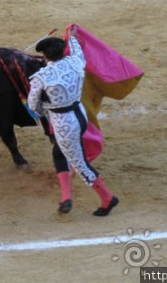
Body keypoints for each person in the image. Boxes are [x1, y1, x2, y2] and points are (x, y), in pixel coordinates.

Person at [27, 24, 119, 216]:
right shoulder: (76, 61)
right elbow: (77, 48)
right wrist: (72, 36)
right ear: (63, 51)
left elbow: (33, 105)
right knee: (59, 153)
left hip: (63, 124)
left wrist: (45, 109)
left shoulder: (41, 77)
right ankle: (65, 197)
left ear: (45, 56)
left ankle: (108, 199)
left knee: (80, 163)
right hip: (80, 113)